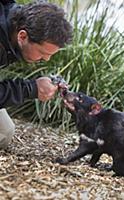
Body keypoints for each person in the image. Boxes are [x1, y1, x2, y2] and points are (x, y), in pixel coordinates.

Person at [0, 0, 73, 149]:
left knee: (4, 131)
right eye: (42, 53)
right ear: (22, 36)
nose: (46, 59)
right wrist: (30, 89)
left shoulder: (12, 26)